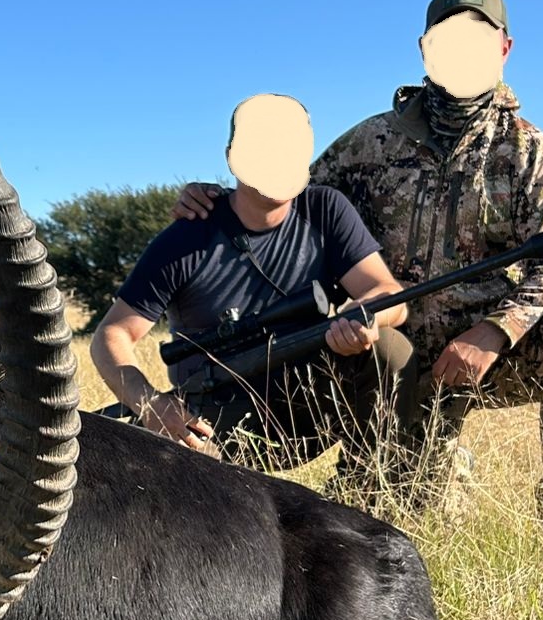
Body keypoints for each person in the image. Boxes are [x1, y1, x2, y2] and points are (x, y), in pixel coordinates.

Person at [174, 0, 543, 521]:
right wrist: (218, 201)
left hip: (488, 354)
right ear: (424, 49)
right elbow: (289, 205)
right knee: (404, 516)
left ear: (505, 49)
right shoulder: (367, 143)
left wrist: (497, 330)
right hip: (384, 353)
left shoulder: (530, 153)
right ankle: (412, 467)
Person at [90, 94, 414, 477]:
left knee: (390, 349)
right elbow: (111, 334)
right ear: (232, 158)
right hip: (213, 422)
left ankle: (369, 488)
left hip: (306, 408)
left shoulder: (325, 209)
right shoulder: (186, 237)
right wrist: (151, 406)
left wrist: (363, 317)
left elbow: (389, 296)